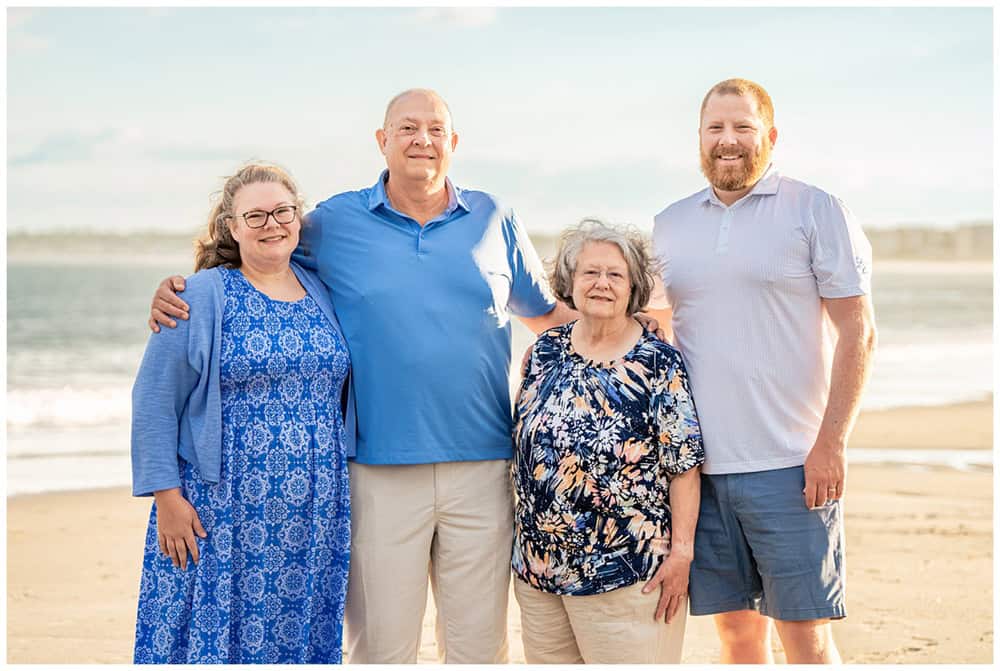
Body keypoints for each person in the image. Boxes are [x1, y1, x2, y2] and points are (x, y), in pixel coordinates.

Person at [146, 89, 594, 664]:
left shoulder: (496, 218)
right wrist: (181, 293)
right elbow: (261, 249)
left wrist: (630, 331)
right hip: (377, 472)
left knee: (480, 650)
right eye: (407, 128)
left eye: (435, 129)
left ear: (453, 143)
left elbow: (549, 317)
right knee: (382, 650)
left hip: (484, 466)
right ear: (382, 142)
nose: (422, 139)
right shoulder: (333, 223)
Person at [651, 78, 877, 664]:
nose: (728, 140)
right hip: (702, 471)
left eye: (742, 127)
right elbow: (654, 336)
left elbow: (859, 332)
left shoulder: (815, 208)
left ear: (769, 136)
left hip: (793, 465)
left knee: (806, 638)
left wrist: (832, 444)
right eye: (715, 128)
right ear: (699, 138)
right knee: (737, 637)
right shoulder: (670, 224)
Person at [131, 163, 355, 663]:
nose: (272, 224)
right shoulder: (201, 295)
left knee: (293, 633)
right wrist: (167, 499)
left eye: (282, 212)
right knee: (208, 637)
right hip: (220, 509)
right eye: (255, 216)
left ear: (298, 219)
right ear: (231, 227)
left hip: (313, 514)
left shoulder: (323, 290)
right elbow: (153, 402)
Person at [511, 220, 704, 664]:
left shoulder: (657, 361)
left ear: (634, 287)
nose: (601, 283)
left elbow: (684, 466)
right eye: (589, 273)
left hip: (629, 575)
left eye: (615, 275)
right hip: (539, 576)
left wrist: (682, 555)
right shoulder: (546, 351)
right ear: (569, 282)